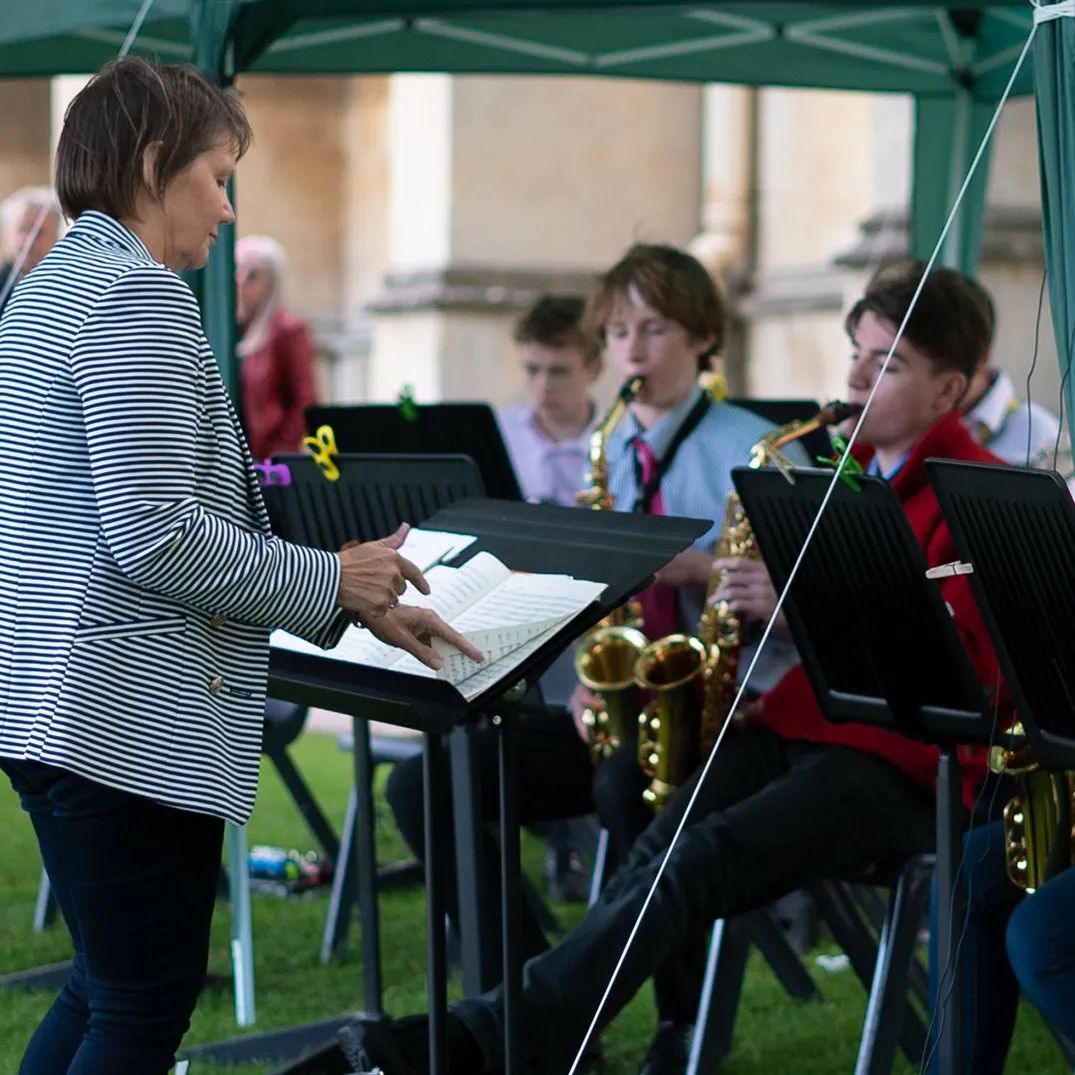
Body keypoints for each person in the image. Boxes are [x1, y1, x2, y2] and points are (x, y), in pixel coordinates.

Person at [352, 262, 1009, 1075]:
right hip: (806, 727)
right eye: (854, 353)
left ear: (949, 390)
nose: (853, 378)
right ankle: (519, 1029)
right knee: (658, 848)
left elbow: (959, 671)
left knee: (694, 858)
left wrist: (792, 602)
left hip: (911, 767)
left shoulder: (979, 491)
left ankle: (497, 1035)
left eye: (886, 364)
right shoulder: (847, 470)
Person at [0, 56, 479, 1075]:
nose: (226, 209)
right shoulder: (135, 293)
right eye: (217, 176)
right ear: (148, 161)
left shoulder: (43, 290)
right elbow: (155, 532)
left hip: (49, 700)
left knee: (105, 985)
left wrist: (352, 602)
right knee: (137, 1002)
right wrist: (330, 580)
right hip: (115, 713)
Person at [386, 244, 803, 968]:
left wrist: (701, 568)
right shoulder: (609, 447)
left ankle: (670, 1023)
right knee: (426, 784)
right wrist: (588, 679)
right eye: (616, 333)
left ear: (704, 335)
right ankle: (516, 985)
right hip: (631, 707)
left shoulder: (757, 449)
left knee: (625, 789)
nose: (629, 352)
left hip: (736, 712)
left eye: (653, 330)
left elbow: (812, 604)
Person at [496, 294, 602, 507]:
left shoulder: (622, 443)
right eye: (532, 369)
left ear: (594, 368)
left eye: (559, 371)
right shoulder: (498, 432)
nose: (543, 385)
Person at [235, 233, 319, 460]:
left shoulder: (288, 329)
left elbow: (304, 402)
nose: (241, 282)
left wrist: (277, 456)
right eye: (237, 272)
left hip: (268, 461)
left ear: (272, 281)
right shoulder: (232, 330)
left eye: (252, 275)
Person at [0, 186, 60, 317]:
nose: (28, 240)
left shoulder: (63, 285)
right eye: (22, 229)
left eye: (37, 232)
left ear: (56, 236)